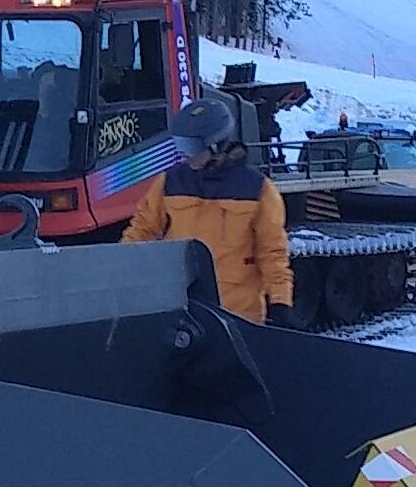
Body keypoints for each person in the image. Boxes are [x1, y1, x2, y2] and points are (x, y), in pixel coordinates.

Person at [121, 94, 296, 323]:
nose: (186, 154)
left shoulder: (257, 189)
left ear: (217, 144)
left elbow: (272, 252)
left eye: (192, 146)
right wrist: (119, 274)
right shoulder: (169, 182)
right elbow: (141, 231)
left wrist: (280, 301)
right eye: (181, 145)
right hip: (183, 310)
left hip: (238, 316)